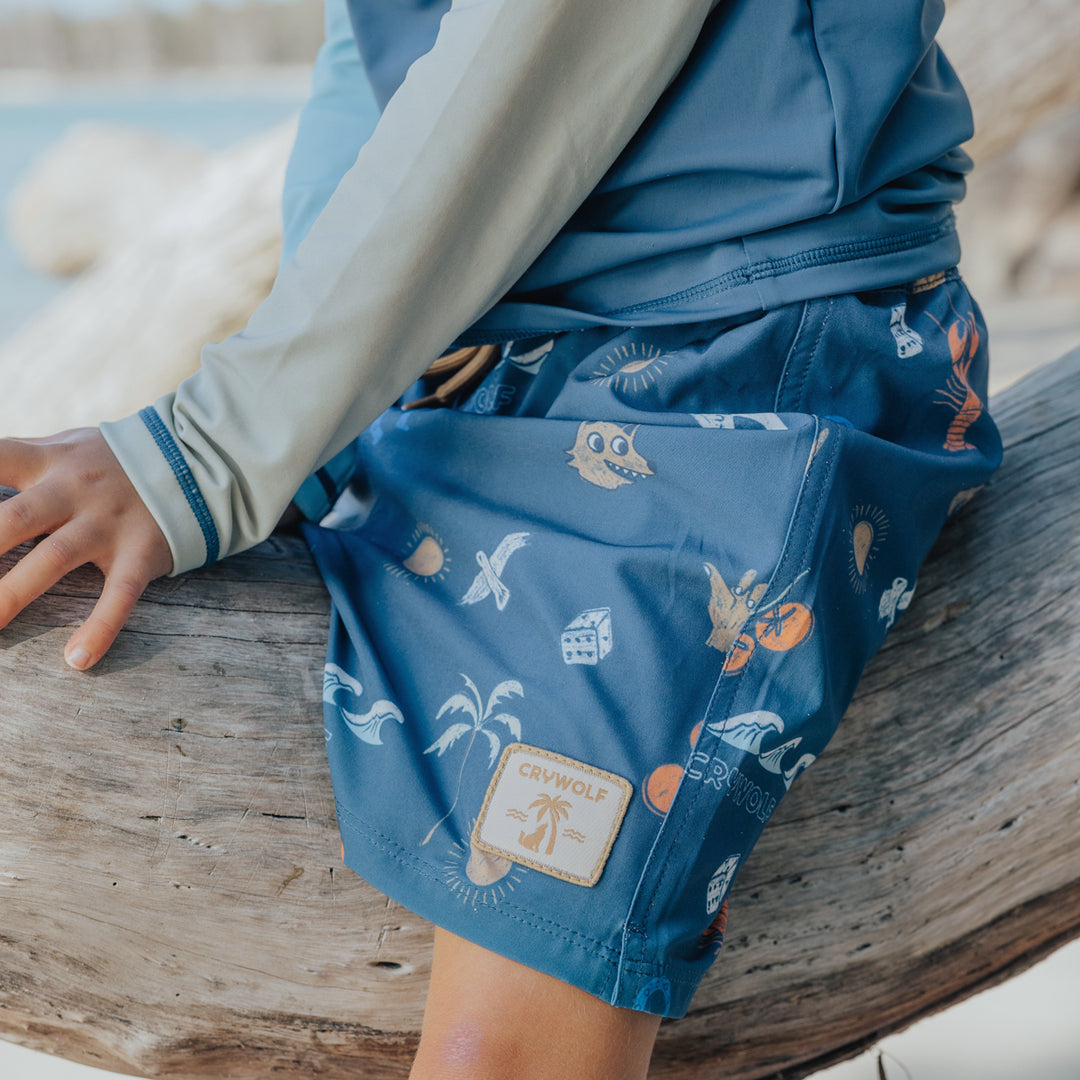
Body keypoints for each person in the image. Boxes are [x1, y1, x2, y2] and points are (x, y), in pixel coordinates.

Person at [0, 1, 1002, 1076]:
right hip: (477, 359)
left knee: (501, 1059)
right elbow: (380, 60)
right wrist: (304, 430)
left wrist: (213, 448)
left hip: (742, 355)